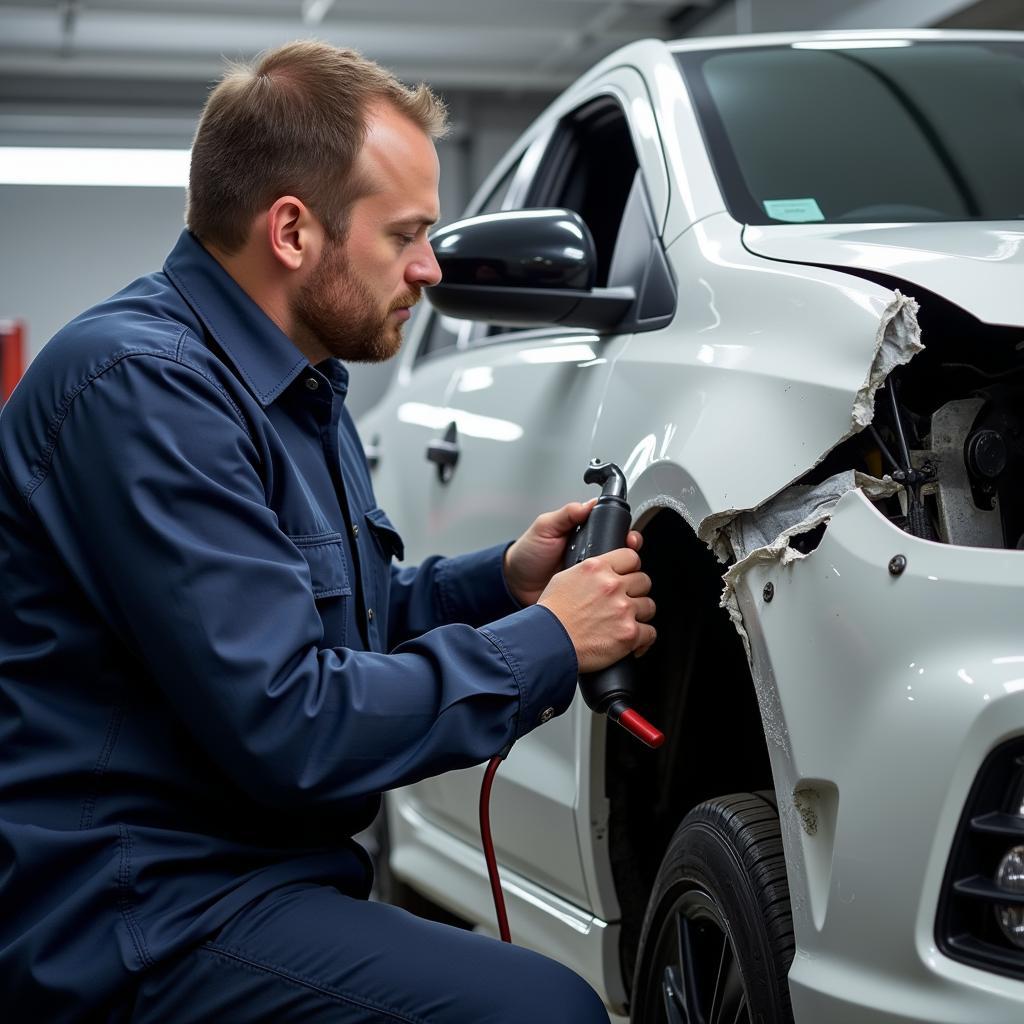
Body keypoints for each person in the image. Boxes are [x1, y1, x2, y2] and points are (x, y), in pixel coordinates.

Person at [0, 41, 656, 1022]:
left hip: (250, 872)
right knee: (541, 1011)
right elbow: (288, 720)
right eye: (405, 235)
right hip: (132, 911)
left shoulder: (297, 389)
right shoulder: (142, 386)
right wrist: (551, 641)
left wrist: (504, 584)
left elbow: (340, 622)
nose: (431, 268)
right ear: (294, 232)